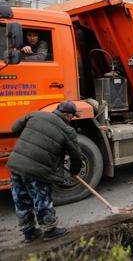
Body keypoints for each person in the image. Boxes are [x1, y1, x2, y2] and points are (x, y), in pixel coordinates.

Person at [7, 101, 83, 242]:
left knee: (21, 200)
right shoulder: (67, 131)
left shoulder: (36, 114)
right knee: (42, 199)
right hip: (38, 170)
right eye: (72, 116)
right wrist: (74, 171)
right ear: (67, 115)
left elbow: (14, 128)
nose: (72, 119)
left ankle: (29, 233)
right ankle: (50, 231)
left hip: (16, 165)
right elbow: (76, 156)